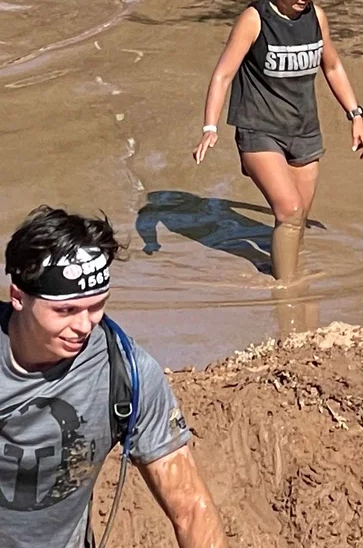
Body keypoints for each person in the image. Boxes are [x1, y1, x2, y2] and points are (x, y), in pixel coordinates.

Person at [1, 206, 224, 547]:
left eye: (96, 306)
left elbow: (192, 508)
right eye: (65, 310)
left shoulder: (127, 375)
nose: (83, 325)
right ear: (18, 297)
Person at [192, 0, 363, 283]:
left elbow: (332, 66)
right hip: (259, 128)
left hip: (304, 131)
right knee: (289, 210)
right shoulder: (255, 19)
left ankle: (288, 277)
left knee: (297, 219)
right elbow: (223, 74)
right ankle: (286, 294)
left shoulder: (316, 17)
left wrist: (356, 115)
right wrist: (210, 128)